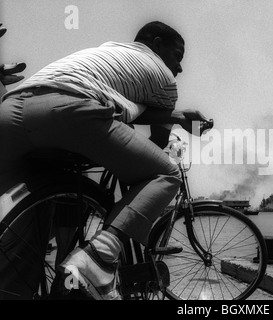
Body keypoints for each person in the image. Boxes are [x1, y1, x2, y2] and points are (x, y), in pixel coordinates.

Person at [0, 21, 209, 300]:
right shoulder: (163, 76)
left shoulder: (108, 53)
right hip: (69, 110)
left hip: (11, 111)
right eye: (177, 57)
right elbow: (156, 147)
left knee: (34, 224)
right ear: (157, 45)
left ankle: (12, 290)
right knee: (165, 173)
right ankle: (98, 259)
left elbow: (116, 101)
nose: (179, 68)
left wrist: (177, 116)